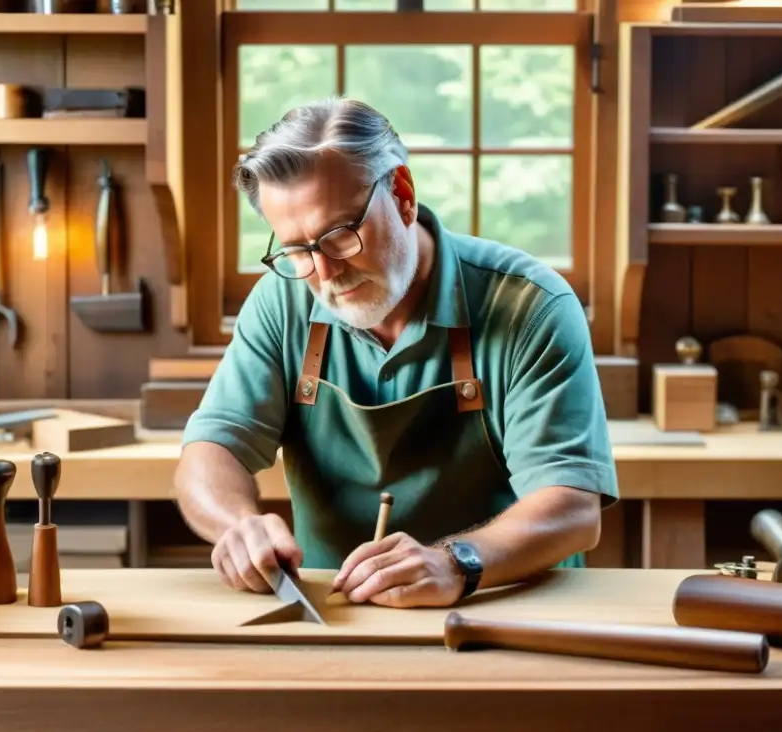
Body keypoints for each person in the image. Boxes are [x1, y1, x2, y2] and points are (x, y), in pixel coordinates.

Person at [174, 96, 618, 609]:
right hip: (341, 613)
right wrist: (239, 526)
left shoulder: (531, 306)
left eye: (339, 236)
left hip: (510, 608)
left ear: (403, 195)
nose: (324, 273)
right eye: (297, 250)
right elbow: (210, 451)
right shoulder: (283, 300)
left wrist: (457, 562)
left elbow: (572, 508)